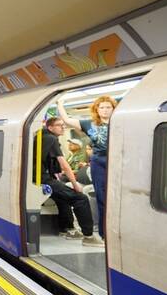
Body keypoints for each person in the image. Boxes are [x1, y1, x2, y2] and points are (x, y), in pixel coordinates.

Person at [34, 117, 103, 247]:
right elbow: (64, 165)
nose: (63, 127)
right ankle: (88, 236)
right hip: (43, 179)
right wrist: (75, 184)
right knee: (80, 198)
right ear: (50, 128)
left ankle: (67, 229)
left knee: (62, 198)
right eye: (59, 125)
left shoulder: (40, 137)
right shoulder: (51, 139)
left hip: (38, 178)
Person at [57, 95, 117, 238]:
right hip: (98, 161)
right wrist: (60, 103)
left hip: (116, 159)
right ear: (97, 109)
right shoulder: (89, 124)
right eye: (101, 107)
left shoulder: (120, 122)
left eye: (108, 107)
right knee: (102, 197)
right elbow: (66, 120)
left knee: (116, 197)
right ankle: (104, 234)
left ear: (113, 109)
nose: (105, 110)